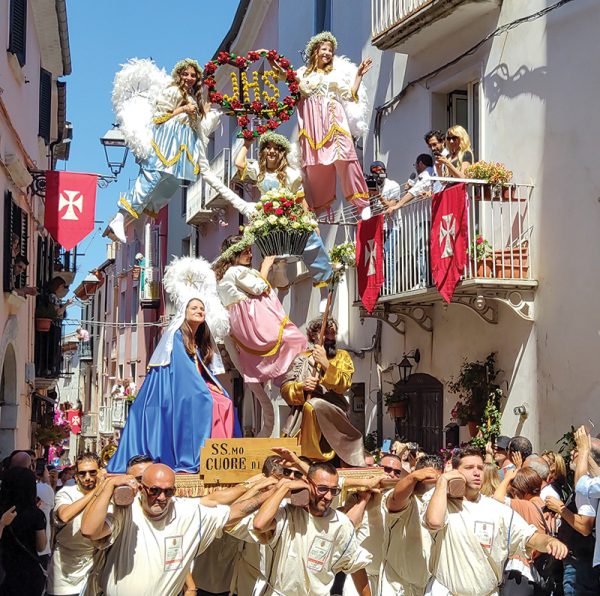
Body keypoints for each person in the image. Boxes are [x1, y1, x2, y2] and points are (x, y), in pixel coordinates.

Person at [80, 463, 272, 596]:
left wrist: (270, 492)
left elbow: (231, 512)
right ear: (141, 488)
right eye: (154, 490)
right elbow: (90, 530)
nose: (161, 497)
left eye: (168, 491)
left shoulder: (186, 512)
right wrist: (108, 487)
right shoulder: (126, 512)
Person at [107, 297, 238, 473]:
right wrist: (205, 389)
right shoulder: (177, 336)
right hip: (176, 390)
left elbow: (198, 370)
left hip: (191, 387)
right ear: (184, 311)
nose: (199, 311)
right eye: (194, 308)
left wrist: (210, 385)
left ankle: (221, 457)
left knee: (225, 402)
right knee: (208, 402)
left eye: (202, 308)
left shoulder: (197, 340)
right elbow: (184, 373)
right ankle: (196, 457)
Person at [423, 446, 568, 595]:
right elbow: (434, 522)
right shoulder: (441, 501)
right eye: (469, 467)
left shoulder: (497, 510)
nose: (476, 472)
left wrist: (550, 542)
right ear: (455, 471)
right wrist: (443, 481)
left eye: (480, 468)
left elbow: (531, 537)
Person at [107, 58, 222, 243]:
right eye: (186, 74)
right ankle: (120, 216)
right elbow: (159, 117)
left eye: (193, 75)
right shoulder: (172, 91)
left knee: (170, 183)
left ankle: (139, 215)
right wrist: (183, 109)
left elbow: (194, 125)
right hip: (167, 140)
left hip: (182, 145)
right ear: (178, 75)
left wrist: (202, 113)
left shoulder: (192, 97)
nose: (189, 78)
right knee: (152, 177)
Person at [252, 462, 372, 596]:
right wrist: (284, 488)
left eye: (333, 491)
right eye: (322, 489)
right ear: (307, 484)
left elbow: (356, 564)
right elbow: (259, 524)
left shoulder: (341, 523)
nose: (328, 497)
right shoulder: (287, 514)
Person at [232, 131, 334, 288]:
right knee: (260, 237)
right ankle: (277, 270)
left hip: (288, 214)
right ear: (263, 152)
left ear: (282, 153)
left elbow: (300, 200)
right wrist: (247, 143)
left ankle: (323, 277)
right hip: (267, 215)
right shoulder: (259, 171)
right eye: (268, 148)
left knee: (311, 238)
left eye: (276, 148)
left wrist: (312, 222)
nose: (272, 151)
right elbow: (239, 163)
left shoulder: (291, 174)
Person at [294, 31, 372, 214]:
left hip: (333, 120)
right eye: (324, 49)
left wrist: (359, 75)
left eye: (330, 50)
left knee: (347, 158)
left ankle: (362, 203)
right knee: (315, 167)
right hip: (312, 125)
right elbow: (287, 82)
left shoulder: (335, 75)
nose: (328, 53)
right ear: (315, 51)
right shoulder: (302, 74)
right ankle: (315, 206)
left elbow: (350, 94)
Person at [214, 235, 307, 385]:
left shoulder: (225, 275)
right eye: (246, 252)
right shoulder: (236, 271)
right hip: (254, 317)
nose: (250, 255)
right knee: (295, 338)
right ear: (234, 255)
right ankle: (290, 374)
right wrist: (265, 267)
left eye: (250, 251)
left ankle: (282, 375)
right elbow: (259, 287)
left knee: (273, 349)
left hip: (240, 323)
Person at [281, 316, 365, 467]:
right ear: (314, 335)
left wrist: (326, 364)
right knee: (310, 406)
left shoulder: (342, 357)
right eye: (326, 333)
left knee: (314, 404)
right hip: (303, 420)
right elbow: (285, 390)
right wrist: (302, 387)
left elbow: (344, 384)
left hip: (332, 412)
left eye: (333, 333)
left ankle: (318, 454)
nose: (330, 337)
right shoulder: (301, 358)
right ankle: (307, 455)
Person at [341, 453, 408, 596]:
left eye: (397, 472)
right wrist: (364, 499)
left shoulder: (402, 500)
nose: (392, 475)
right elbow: (347, 526)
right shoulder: (357, 495)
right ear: (377, 469)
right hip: (360, 574)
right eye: (387, 469)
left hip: (390, 577)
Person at [379, 454, 443, 595]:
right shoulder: (403, 497)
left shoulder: (443, 502)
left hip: (430, 586)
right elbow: (396, 500)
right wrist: (412, 477)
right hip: (397, 584)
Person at [47, 452, 104, 596]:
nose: (88, 478)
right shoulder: (66, 493)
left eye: (92, 473)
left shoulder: (106, 493)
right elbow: (65, 515)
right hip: (65, 575)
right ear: (76, 476)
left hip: (95, 569)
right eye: (82, 474)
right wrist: (98, 491)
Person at [545, 438, 597, 596]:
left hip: (580, 565)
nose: (573, 453)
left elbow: (584, 526)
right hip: (576, 562)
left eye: (578, 451)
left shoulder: (589, 487)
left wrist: (560, 508)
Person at [493, 467, 551, 594]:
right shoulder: (543, 506)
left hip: (521, 572)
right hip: (535, 575)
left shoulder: (526, 505)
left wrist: (507, 478)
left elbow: (496, 500)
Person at [0, 467, 47, 596]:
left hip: (5, 572)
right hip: (29, 574)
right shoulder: (35, 514)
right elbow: (41, 546)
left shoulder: (3, 511)